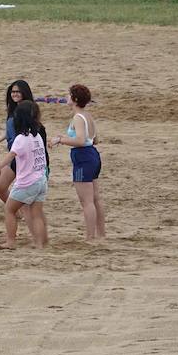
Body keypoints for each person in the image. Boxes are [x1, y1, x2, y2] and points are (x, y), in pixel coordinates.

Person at [55, 84, 106, 240]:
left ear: (75, 99)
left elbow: (80, 140)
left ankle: (90, 237)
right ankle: (101, 234)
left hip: (83, 157)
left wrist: (61, 140)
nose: (66, 97)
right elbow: (94, 139)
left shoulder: (78, 117)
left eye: (69, 95)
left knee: (87, 201)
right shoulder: (88, 115)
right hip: (93, 156)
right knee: (95, 198)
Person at [0, 100, 49, 249]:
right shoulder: (37, 136)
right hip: (41, 180)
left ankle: (10, 241)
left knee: (9, 209)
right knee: (36, 213)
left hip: (27, 183)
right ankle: (40, 244)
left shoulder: (21, 138)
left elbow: (10, 156)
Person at [0, 79, 35, 204]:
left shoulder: (28, 110)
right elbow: (9, 132)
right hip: (13, 155)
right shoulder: (12, 110)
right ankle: (18, 212)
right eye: (13, 92)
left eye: (18, 92)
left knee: (8, 187)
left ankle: (18, 211)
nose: (15, 94)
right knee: (0, 187)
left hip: (21, 156)